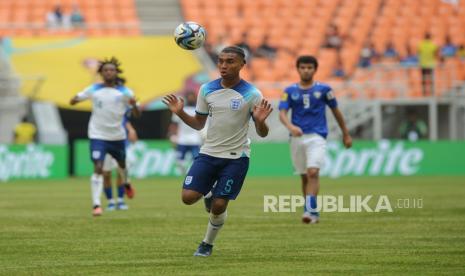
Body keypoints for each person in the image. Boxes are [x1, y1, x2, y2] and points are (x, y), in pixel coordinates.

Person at [163, 46, 272, 257]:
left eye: (230, 61)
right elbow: (197, 124)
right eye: (221, 61)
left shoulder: (252, 94)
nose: (223, 65)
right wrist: (180, 113)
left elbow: (263, 132)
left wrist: (260, 121)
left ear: (242, 64)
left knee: (219, 205)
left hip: (236, 157)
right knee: (187, 197)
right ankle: (209, 193)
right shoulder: (206, 90)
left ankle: (206, 244)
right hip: (209, 153)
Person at [278, 55, 352, 224]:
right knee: (304, 176)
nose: (306, 70)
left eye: (309, 67)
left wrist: (345, 133)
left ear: (315, 69)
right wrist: (290, 127)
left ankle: (308, 211)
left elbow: (336, 112)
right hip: (297, 137)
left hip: (317, 136)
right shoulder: (289, 91)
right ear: (298, 69)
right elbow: (282, 113)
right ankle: (313, 212)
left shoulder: (325, 90)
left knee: (313, 172)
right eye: (303, 67)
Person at [70, 57, 140, 217]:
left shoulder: (125, 92)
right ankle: (96, 204)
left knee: (122, 167)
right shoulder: (93, 89)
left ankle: (127, 183)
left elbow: (137, 113)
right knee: (99, 167)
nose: (109, 72)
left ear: (116, 72)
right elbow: (74, 100)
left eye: (112, 70)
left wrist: (134, 104)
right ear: (101, 73)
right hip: (97, 135)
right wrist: (75, 99)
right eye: (106, 70)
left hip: (117, 137)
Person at [102, 113, 138, 211]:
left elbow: (126, 120)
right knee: (106, 174)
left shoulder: (121, 108)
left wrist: (131, 129)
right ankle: (111, 202)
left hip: (120, 145)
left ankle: (120, 200)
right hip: (105, 145)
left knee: (121, 172)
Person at [168, 91, 203, 174]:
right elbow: (174, 124)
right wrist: (172, 135)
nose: (191, 99)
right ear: (186, 98)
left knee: (196, 161)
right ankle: (185, 175)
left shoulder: (199, 110)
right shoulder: (179, 110)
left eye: (192, 97)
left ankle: (191, 175)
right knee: (179, 162)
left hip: (195, 140)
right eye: (189, 97)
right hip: (182, 139)